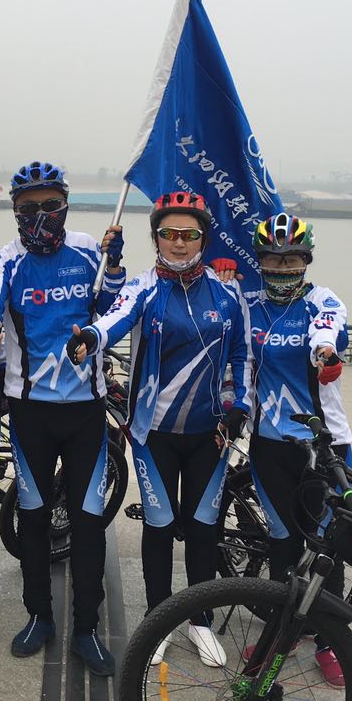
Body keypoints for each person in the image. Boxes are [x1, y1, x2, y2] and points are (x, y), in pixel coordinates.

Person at [67, 191, 246, 670]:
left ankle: (201, 620)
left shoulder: (228, 292)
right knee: (160, 527)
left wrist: (240, 405)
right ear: (156, 238)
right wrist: (90, 337)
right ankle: (158, 619)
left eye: (189, 234)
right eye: (169, 233)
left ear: (203, 239)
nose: (179, 242)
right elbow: (114, 318)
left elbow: (241, 355)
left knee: (204, 529)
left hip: (211, 435)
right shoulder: (144, 287)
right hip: (153, 434)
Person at [0, 160, 126, 676]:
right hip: (30, 410)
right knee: (33, 518)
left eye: (51, 205)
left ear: (66, 205)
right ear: (15, 211)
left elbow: (112, 308)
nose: (41, 214)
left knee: (88, 522)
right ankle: (39, 615)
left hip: (85, 411)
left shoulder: (87, 250)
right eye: (29, 207)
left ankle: (86, 628)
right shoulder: (5, 260)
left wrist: (115, 266)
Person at [232, 212, 352, 687]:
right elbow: (233, 346)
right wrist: (220, 271)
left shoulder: (324, 300)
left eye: (291, 259)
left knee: (325, 547)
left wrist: (325, 354)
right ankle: (282, 634)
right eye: (272, 258)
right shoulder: (249, 305)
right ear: (259, 261)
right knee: (282, 543)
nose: (281, 267)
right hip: (269, 444)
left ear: (307, 260)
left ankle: (329, 642)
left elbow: (328, 331)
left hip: (324, 446)